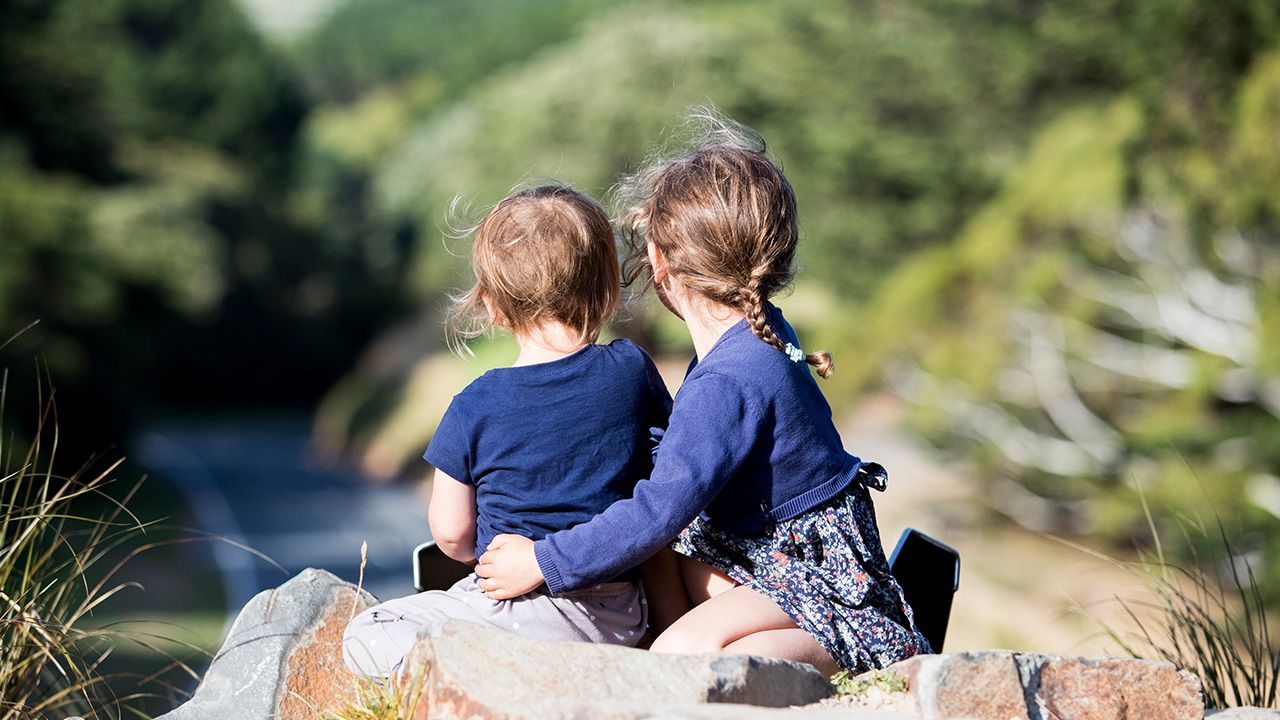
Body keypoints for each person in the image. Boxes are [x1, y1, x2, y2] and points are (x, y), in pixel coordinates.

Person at [474, 116, 931, 675]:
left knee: (682, 658)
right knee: (671, 569)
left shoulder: (727, 381)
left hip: (821, 585)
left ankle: (868, 644)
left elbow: (656, 512)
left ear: (661, 263)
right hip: (772, 557)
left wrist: (542, 560)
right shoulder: (758, 333)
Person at [343, 185, 672, 678]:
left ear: (493, 307)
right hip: (618, 614)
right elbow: (665, 460)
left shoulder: (473, 404)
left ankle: (480, 676)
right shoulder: (631, 369)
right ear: (607, 290)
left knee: (367, 631)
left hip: (513, 609)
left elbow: (452, 534)